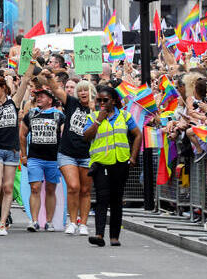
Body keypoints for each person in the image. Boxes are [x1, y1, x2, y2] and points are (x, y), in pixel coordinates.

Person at [82, 86, 141, 247]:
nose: (101, 103)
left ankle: (114, 236)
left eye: (105, 100)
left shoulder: (124, 116)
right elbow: (86, 137)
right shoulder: (92, 116)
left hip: (120, 163)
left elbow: (138, 135)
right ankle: (99, 234)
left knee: (116, 200)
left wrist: (133, 157)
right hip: (101, 164)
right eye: (98, 100)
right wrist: (98, 121)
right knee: (102, 199)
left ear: (113, 101)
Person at [0, 64, 35, 236]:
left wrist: (32, 62)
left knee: (8, 187)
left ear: (4, 88)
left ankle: (3, 223)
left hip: (11, 150)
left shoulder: (14, 103)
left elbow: (26, 79)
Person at [47, 75, 96, 235]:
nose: (82, 93)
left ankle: (83, 223)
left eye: (85, 90)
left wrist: (94, 110)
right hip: (67, 153)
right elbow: (55, 89)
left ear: (91, 92)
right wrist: (49, 77)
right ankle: (72, 221)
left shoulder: (97, 108)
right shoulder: (72, 103)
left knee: (85, 190)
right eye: (79, 90)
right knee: (73, 187)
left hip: (88, 154)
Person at [19, 87, 64, 232]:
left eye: (42, 96)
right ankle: (34, 220)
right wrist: (24, 155)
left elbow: (64, 136)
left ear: (50, 100)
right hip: (35, 158)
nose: (38, 98)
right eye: (37, 96)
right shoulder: (31, 114)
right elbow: (22, 135)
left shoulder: (59, 116)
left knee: (51, 189)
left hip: (53, 159)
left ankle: (49, 221)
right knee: (35, 188)